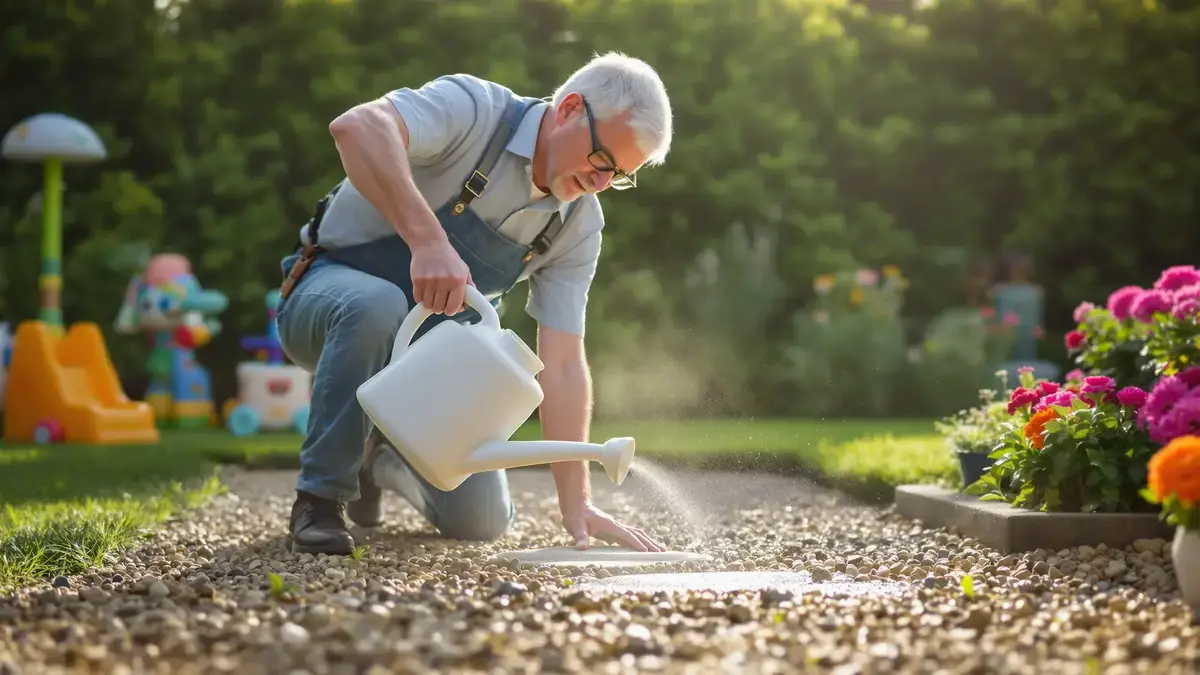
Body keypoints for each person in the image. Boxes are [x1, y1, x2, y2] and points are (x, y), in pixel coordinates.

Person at [274, 52, 673, 556]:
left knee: (481, 521)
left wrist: (578, 506)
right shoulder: (475, 110)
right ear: (571, 108)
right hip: (325, 296)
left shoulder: (576, 227)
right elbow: (356, 127)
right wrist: (427, 241)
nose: (600, 185)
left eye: (619, 176)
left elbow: (565, 365)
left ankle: (379, 456)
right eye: (602, 161)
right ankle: (320, 500)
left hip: (429, 365)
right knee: (377, 304)